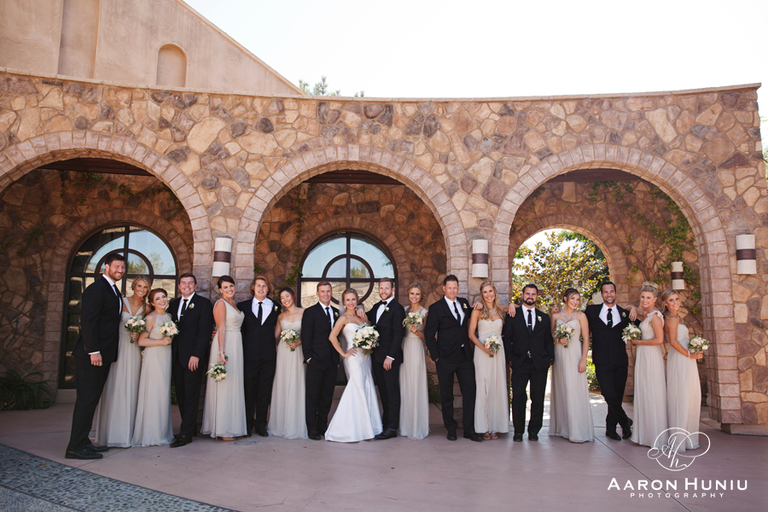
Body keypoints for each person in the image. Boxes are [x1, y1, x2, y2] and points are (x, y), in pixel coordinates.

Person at [65, 253, 126, 460]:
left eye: (123, 267)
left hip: (104, 354)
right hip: (92, 355)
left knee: (91, 401)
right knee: (86, 400)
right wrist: (93, 351)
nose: (120, 270)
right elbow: (88, 322)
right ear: (106, 267)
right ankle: (74, 447)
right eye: (117, 266)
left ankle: (83, 442)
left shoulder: (113, 290)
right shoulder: (96, 289)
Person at [424, 275, 483, 442]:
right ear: (444, 288)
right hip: (445, 359)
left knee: (470, 392)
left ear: (458, 288)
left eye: (455, 287)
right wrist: (436, 357)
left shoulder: (463, 303)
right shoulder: (436, 308)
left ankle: (469, 430)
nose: (452, 291)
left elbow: (472, 315)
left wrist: (477, 306)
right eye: (449, 288)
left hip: (465, 357)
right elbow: (429, 334)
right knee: (447, 395)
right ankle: (450, 428)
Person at [96, 275, 150, 448]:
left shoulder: (146, 308)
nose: (142, 289)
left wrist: (137, 334)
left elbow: (151, 325)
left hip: (133, 350)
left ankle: (127, 433)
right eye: (139, 286)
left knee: (131, 387)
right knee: (115, 386)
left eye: (145, 287)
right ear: (134, 286)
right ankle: (110, 433)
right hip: (118, 346)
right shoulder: (121, 302)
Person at [325, 288, 383, 442]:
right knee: (355, 388)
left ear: (357, 301)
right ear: (343, 302)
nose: (351, 302)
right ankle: (347, 429)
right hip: (353, 358)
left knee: (366, 386)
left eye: (353, 299)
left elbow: (370, 331)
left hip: (365, 358)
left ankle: (368, 427)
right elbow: (332, 336)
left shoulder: (361, 317)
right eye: (348, 300)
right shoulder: (343, 318)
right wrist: (343, 353)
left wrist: (370, 343)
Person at [583, 281, 636, 441]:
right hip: (601, 360)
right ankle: (625, 421)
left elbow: (643, 323)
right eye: (606, 292)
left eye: (611, 291)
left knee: (617, 395)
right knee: (608, 393)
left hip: (620, 360)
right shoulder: (591, 311)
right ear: (602, 294)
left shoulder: (625, 314)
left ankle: (611, 428)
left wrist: (635, 308)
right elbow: (576, 319)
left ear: (615, 293)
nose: (609, 295)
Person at [502, 283, 554, 442]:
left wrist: (549, 359)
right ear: (523, 295)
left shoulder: (544, 317)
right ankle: (518, 431)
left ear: (537, 296)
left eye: (533, 294)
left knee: (537, 398)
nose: (530, 296)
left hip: (539, 364)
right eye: (528, 294)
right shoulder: (513, 315)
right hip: (519, 363)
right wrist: (510, 359)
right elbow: (507, 338)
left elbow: (548, 340)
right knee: (518, 396)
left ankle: (534, 431)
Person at [167, 273, 214, 448]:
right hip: (176, 356)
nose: (187, 286)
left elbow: (204, 332)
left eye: (190, 283)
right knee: (180, 393)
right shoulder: (173, 304)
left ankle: (185, 433)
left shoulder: (203, 304)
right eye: (184, 283)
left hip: (193, 357)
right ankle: (189, 428)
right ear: (179, 286)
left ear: (195, 286)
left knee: (191, 394)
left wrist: (196, 355)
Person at [201, 276, 247, 440]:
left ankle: (232, 425)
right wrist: (221, 352)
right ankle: (223, 428)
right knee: (225, 384)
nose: (229, 289)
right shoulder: (220, 304)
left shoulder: (234, 304)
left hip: (237, 344)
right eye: (225, 287)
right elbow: (221, 329)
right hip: (226, 345)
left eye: (231, 286)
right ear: (220, 290)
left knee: (234, 383)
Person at [549, 288, 594, 443]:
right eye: (573, 298)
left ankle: (577, 429)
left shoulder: (581, 316)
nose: (575, 302)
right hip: (560, 355)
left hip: (575, 353)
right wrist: (558, 340)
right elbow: (550, 336)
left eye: (578, 299)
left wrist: (583, 360)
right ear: (565, 298)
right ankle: (564, 427)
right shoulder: (555, 315)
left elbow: (586, 339)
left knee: (574, 389)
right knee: (562, 388)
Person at [238, 275, 280, 438]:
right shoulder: (243, 306)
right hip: (249, 356)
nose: (261, 288)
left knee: (264, 392)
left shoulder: (276, 306)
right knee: (249, 391)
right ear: (253, 288)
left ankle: (261, 425)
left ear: (268, 289)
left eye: (264, 286)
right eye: (258, 285)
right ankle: (248, 424)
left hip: (268, 356)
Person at [132, 288, 174, 446]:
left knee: (163, 394)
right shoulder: (151, 318)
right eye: (158, 299)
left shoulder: (168, 316)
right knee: (153, 394)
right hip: (154, 359)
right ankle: (151, 434)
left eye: (164, 297)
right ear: (152, 302)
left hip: (165, 358)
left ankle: (163, 432)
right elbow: (141, 341)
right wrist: (161, 342)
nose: (162, 300)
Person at [364, 277, 405, 440]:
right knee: (383, 392)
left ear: (392, 290)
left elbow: (398, 334)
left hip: (390, 359)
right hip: (377, 358)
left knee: (392, 392)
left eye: (386, 288)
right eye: (381, 288)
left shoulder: (398, 308)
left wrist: (390, 356)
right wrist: (359, 307)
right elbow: (367, 318)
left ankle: (392, 427)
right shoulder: (376, 307)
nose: (383, 291)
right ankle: (385, 423)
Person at [468, 281, 509, 440]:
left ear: (495, 292)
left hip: (498, 353)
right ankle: (483, 427)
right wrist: (483, 348)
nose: (488, 294)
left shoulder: (501, 309)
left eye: (490, 291)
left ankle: (496, 426)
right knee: (483, 387)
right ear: (481, 295)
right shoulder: (478, 310)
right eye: (485, 292)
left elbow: (518, 308)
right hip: (482, 352)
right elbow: (471, 334)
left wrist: (511, 305)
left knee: (496, 386)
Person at [662, 289, 701, 452]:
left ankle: (688, 436)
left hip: (685, 358)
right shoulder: (670, 319)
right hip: (680, 358)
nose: (675, 302)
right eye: (671, 300)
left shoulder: (676, 317)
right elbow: (673, 342)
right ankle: (680, 439)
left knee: (691, 394)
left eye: (676, 299)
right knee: (682, 395)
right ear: (665, 303)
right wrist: (689, 355)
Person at [630, 282, 668, 449]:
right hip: (643, 356)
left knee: (652, 393)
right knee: (644, 392)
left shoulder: (655, 316)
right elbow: (631, 307)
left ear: (655, 299)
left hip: (651, 357)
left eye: (648, 298)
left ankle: (655, 436)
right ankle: (644, 434)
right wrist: (632, 307)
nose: (645, 300)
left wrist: (637, 341)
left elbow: (659, 340)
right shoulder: (644, 314)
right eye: (643, 297)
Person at [267, 287, 308, 439]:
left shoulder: (304, 312)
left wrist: (299, 342)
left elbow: (309, 333)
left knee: (297, 383)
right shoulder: (280, 317)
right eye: (282, 298)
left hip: (298, 351)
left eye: (287, 296)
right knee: (283, 384)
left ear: (293, 296)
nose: (285, 299)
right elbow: (274, 337)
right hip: (283, 352)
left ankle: (296, 424)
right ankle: (281, 424)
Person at [302, 281, 340, 440]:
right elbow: (306, 336)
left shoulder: (337, 312)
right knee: (313, 395)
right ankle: (311, 428)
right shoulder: (310, 312)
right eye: (323, 291)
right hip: (316, 361)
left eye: (328, 291)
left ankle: (322, 425)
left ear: (331, 293)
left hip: (332, 361)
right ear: (317, 293)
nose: (326, 294)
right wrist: (309, 357)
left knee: (327, 395)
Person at [398, 283, 430, 440]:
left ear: (421, 295)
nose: (414, 296)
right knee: (405, 384)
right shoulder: (403, 310)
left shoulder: (425, 312)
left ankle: (417, 425)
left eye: (417, 294)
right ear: (408, 294)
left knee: (416, 383)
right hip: (404, 346)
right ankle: (405, 425)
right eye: (412, 293)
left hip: (416, 347)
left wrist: (417, 332)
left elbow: (428, 336)